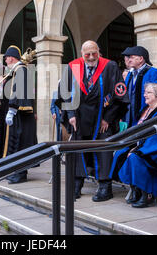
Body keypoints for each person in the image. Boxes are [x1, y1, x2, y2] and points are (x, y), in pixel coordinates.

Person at [62, 40, 129, 201]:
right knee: (78, 151)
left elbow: (119, 95)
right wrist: (70, 115)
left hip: (102, 119)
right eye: (87, 54)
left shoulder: (109, 66)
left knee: (103, 151)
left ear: (99, 52)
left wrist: (108, 119)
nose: (91, 57)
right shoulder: (73, 67)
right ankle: (77, 184)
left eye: (94, 53)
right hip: (79, 118)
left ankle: (105, 187)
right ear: (81, 54)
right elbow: (65, 93)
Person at [110, 83, 157, 207]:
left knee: (135, 157)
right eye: (145, 92)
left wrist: (138, 149)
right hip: (150, 145)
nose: (144, 95)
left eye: (148, 93)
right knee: (122, 154)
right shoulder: (149, 110)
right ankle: (136, 190)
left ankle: (145, 194)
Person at [2, 45, 37, 184]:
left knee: (20, 143)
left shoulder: (20, 69)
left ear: (11, 57)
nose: (5, 60)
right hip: (18, 113)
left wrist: (12, 109)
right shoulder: (17, 70)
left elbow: (18, 91)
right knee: (17, 142)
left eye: (6, 58)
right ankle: (16, 171)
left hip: (20, 113)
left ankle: (21, 173)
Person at [121, 46, 157, 128]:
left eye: (132, 57)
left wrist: (145, 115)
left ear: (141, 59)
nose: (129, 60)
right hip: (129, 118)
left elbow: (154, 97)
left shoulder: (152, 72)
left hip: (144, 117)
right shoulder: (130, 74)